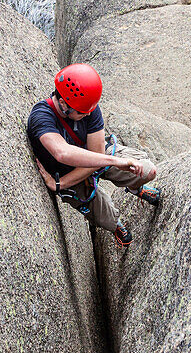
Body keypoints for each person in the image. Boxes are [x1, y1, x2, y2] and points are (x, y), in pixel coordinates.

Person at [27, 63, 160, 249]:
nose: (89, 113)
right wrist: (62, 183)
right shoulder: (41, 117)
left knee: (147, 171)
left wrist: (61, 184)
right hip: (68, 172)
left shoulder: (87, 107)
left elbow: (97, 154)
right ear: (64, 103)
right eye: (83, 112)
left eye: (90, 109)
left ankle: (136, 189)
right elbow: (62, 152)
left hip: (95, 159)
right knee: (107, 220)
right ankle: (115, 225)